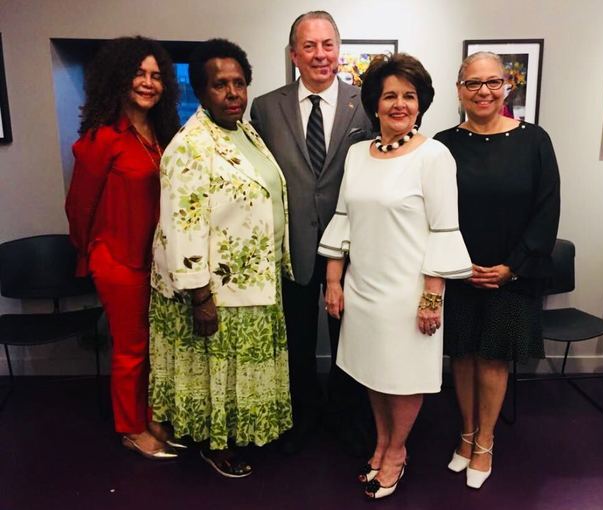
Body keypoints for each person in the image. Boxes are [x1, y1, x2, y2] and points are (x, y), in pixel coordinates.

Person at [319, 53, 472, 500]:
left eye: (409, 96)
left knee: (403, 376)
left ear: (421, 103)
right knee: (371, 372)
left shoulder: (434, 156)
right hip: (363, 287)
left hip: (409, 291)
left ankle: (397, 451)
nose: (399, 104)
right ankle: (382, 442)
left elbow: (444, 229)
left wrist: (431, 298)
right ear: (374, 104)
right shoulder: (356, 155)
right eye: (390, 96)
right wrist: (333, 280)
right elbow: (343, 218)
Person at [149, 39, 293, 478]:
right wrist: (199, 296)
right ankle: (217, 445)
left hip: (253, 279)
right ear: (201, 90)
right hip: (216, 288)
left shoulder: (244, 132)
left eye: (239, 83)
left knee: (237, 372)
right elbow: (182, 223)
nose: (232, 93)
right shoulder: (191, 145)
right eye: (219, 85)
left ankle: (236, 432)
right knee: (217, 372)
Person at [435, 51, 560, 489]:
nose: (483, 91)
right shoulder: (443, 143)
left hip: (511, 276)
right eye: (473, 83)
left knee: (493, 357)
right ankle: (466, 435)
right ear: (459, 90)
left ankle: (486, 440)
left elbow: (547, 211)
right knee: (463, 355)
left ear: (507, 85)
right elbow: (432, 210)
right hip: (461, 274)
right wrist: (453, 263)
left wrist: (512, 267)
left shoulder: (534, 140)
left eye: (492, 82)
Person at [250, 10, 373, 455]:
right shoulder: (265, 106)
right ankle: (301, 415)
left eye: (327, 45)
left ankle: (346, 415)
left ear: (339, 51)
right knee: (297, 338)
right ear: (293, 54)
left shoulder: (365, 104)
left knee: (351, 337)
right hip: (291, 246)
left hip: (353, 245)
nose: (320, 55)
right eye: (309, 46)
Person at [65, 36, 179, 460]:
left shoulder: (160, 134)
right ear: (119, 78)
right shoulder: (102, 138)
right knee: (130, 350)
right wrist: (94, 253)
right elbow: (78, 207)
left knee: (152, 346)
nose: (148, 83)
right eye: (139, 74)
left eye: (155, 75)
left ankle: (148, 414)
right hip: (119, 261)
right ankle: (130, 428)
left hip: (155, 264)